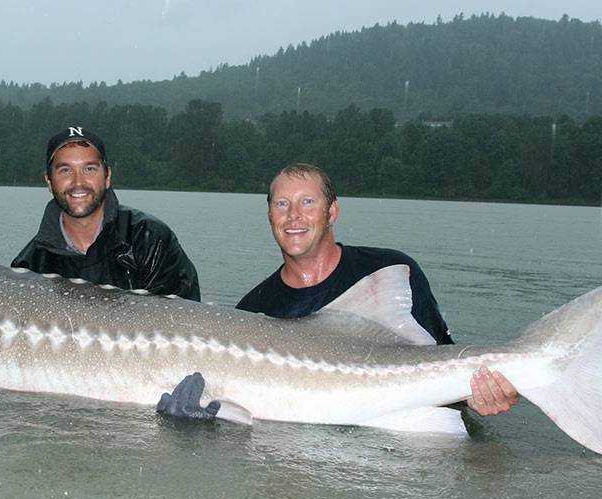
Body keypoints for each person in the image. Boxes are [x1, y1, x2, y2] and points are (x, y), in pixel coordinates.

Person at [158, 163, 517, 420]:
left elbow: (439, 359)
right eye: (281, 204)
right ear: (270, 215)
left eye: (307, 203)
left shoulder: (384, 271)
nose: (293, 215)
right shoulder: (256, 308)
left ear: (332, 212)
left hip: (394, 433)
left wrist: (474, 397)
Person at [11, 126, 200, 300]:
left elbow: (188, 322)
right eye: (65, 170)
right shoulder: (29, 266)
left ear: (107, 176)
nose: (78, 182)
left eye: (90, 168)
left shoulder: (150, 239)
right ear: (49, 182)